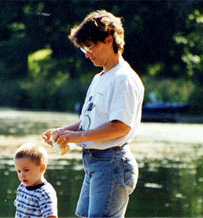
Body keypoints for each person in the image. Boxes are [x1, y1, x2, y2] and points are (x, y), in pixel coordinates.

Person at [42, 10, 144, 218]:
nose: (87, 54)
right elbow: (88, 122)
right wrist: (63, 132)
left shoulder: (123, 78)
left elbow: (120, 126)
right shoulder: (99, 78)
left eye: (90, 47)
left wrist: (78, 137)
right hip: (94, 162)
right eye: (84, 49)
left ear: (108, 40)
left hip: (112, 163)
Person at [13, 143, 58, 218]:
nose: (22, 175)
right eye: (19, 171)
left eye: (26, 170)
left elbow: (51, 216)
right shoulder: (22, 187)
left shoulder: (44, 192)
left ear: (41, 168)